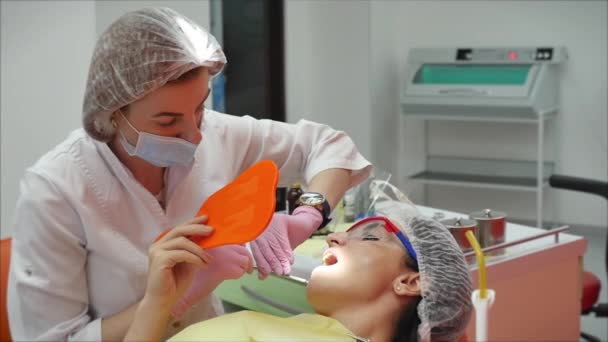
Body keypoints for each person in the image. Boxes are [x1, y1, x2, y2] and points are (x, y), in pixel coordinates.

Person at [7, 7, 371, 341]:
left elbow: (327, 145)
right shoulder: (55, 191)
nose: (196, 135)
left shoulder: (215, 133)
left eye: (199, 108)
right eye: (168, 122)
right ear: (113, 113)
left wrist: (307, 214)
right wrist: (174, 296)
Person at [125, 200, 474, 342]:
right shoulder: (308, 330)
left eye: (370, 237)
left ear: (411, 281)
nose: (335, 237)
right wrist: (160, 302)